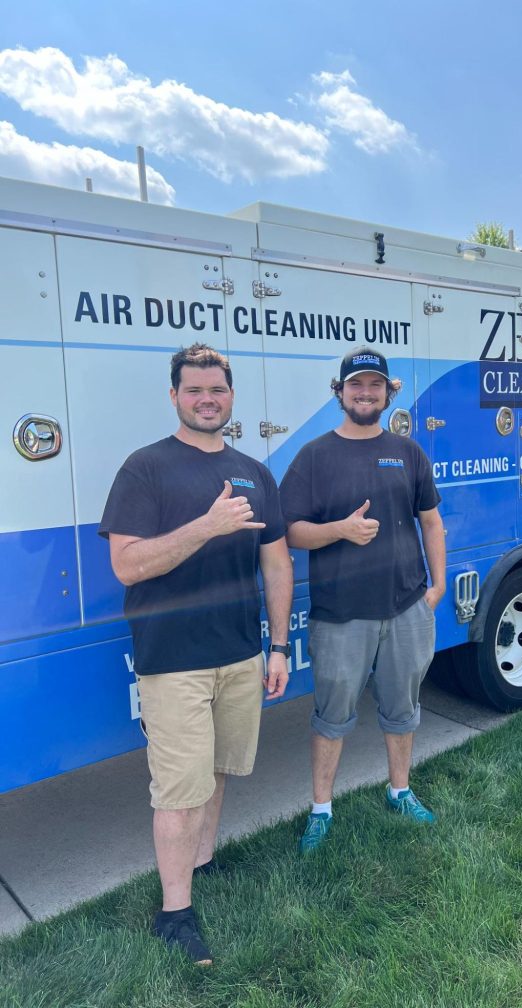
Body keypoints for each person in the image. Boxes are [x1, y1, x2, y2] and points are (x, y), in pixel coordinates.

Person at [99, 343, 292, 965]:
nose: (207, 399)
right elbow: (127, 565)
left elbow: (276, 563)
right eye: (194, 390)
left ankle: (202, 867)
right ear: (175, 396)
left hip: (239, 654)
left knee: (215, 773)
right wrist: (206, 526)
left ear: (231, 396)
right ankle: (174, 912)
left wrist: (280, 645)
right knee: (178, 790)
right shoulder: (145, 469)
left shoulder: (254, 472)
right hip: (174, 659)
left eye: (217, 389)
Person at [279, 346, 446, 853]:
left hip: (406, 608)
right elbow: (290, 533)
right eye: (356, 385)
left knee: (403, 709)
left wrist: (435, 590)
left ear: (388, 391)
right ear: (340, 393)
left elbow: (432, 522)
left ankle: (400, 790)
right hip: (340, 615)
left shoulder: (408, 451)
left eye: (375, 385)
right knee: (332, 717)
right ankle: (321, 809)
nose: (365, 393)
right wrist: (341, 531)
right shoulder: (315, 456)